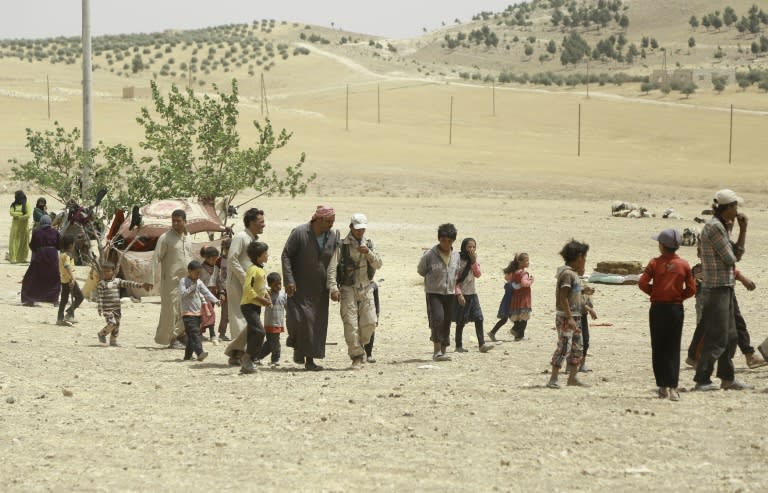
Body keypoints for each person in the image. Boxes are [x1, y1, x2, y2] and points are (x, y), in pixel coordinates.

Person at [693, 189, 751, 391]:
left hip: (725, 286)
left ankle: (727, 378)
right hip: (716, 288)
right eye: (735, 206)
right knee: (717, 335)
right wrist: (738, 234)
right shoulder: (715, 228)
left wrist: (742, 230)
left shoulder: (722, 227)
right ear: (728, 207)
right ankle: (702, 379)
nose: (737, 210)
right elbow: (731, 258)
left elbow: (736, 255)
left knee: (731, 335)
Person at [638, 229, 696, 402]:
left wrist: (655, 293)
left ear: (662, 246)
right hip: (675, 310)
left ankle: (662, 386)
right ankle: (673, 387)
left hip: (657, 308)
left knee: (658, 346)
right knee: (673, 347)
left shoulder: (654, 263)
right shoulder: (684, 265)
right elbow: (692, 289)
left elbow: (642, 283)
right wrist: (678, 297)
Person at [282, 205, 340, 371]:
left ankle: (310, 359)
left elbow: (333, 264)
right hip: (299, 286)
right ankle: (298, 348)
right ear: (319, 219)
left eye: (332, 221)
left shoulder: (332, 236)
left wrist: (334, 287)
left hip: (319, 289)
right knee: (300, 321)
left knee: (316, 324)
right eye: (328, 221)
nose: (331, 224)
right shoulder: (300, 233)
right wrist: (289, 280)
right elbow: (286, 255)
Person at [327, 213, 384, 369]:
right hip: (348, 288)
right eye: (357, 229)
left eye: (362, 229)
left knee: (370, 322)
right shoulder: (342, 245)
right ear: (351, 227)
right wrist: (333, 287)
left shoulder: (369, 244)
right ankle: (356, 356)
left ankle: (361, 345)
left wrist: (368, 253)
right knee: (351, 325)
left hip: (366, 287)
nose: (360, 232)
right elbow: (332, 268)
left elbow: (379, 264)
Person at [547, 239, 590, 389]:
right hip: (566, 318)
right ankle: (553, 378)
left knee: (577, 347)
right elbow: (563, 297)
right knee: (564, 346)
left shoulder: (574, 275)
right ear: (579, 257)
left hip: (576, 316)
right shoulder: (566, 274)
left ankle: (572, 377)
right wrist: (570, 317)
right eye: (584, 257)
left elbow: (574, 295)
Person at [417, 223, 460, 362]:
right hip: (434, 292)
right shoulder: (429, 254)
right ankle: (436, 351)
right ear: (439, 239)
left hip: (450, 293)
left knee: (447, 320)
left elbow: (457, 273)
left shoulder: (456, 256)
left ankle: (443, 350)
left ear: (453, 241)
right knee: (438, 319)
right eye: (443, 240)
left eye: (449, 241)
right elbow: (421, 270)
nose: (446, 244)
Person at [151, 209, 193, 348]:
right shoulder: (165, 238)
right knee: (171, 310)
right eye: (173, 221)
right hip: (170, 281)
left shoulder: (188, 238)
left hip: (187, 281)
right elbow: (155, 258)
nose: (175, 223)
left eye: (178, 221)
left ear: (185, 221)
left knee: (186, 309)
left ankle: (180, 335)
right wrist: (149, 279)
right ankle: (172, 338)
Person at [227, 208, 265, 340]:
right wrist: (245, 279)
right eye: (261, 222)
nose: (264, 225)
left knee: (249, 316)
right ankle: (238, 352)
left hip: (249, 285)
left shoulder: (252, 239)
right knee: (239, 316)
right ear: (251, 222)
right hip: (237, 283)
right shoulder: (241, 237)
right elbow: (232, 259)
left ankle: (245, 352)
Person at [453, 237, 493, 354]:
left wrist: (474, 262)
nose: (471, 249)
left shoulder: (473, 260)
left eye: (473, 247)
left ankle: (482, 344)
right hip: (462, 295)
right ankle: (458, 346)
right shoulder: (458, 260)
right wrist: (459, 294)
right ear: (464, 247)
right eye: (469, 247)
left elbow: (478, 274)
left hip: (472, 294)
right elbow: (454, 280)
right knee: (461, 321)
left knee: (479, 318)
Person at [97, 262, 152, 346]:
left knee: (117, 325)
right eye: (104, 271)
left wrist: (141, 285)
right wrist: (100, 308)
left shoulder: (117, 281)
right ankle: (102, 334)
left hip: (117, 309)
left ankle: (113, 341)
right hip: (107, 309)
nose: (106, 273)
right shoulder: (101, 284)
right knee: (112, 323)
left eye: (108, 271)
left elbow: (129, 283)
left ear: (113, 271)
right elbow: (100, 297)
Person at [239, 241, 272, 374]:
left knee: (253, 333)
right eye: (265, 253)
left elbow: (261, 287)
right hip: (248, 305)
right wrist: (261, 300)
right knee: (260, 332)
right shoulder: (252, 269)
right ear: (259, 256)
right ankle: (247, 358)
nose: (267, 255)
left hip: (256, 306)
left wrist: (267, 296)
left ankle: (248, 363)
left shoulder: (261, 269)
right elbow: (248, 289)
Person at [179, 260, 219, 362]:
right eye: (196, 272)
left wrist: (216, 300)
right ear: (189, 271)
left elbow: (206, 292)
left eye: (199, 273)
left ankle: (187, 356)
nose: (198, 275)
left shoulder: (199, 282)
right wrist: (192, 287)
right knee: (195, 333)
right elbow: (183, 294)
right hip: (187, 313)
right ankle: (200, 353)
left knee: (192, 335)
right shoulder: (183, 281)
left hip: (197, 313)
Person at [20, 215, 61, 306]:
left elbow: (32, 246)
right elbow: (59, 246)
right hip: (52, 256)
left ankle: (29, 299)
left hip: (40, 255)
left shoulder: (37, 232)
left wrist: (39, 251)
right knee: (53, 277)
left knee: (32, 277)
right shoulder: (55, 232)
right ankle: (54, 300)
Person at [257, 272, 288, 366]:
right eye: (275, 285)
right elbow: (261, 287)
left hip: (279, 323)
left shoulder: (283, 294)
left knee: (272, 342)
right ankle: (275, 360)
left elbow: (286, 306)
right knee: (274, 343)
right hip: (269, 323)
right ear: (270, 285)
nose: (278, 286)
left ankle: (257, 357)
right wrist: (267, 289)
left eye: (280, 283)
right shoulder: (267, 294)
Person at [56, 235, 84, 326]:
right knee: (80, 297)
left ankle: (60, 319)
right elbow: (67, 266)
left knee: (64, 300)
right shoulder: (67, 256)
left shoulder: (61, 255)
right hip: (69, 280)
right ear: (71, 245)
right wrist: (72, 279)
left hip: (64, 280)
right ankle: (69, 313)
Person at [487, 262, 517, 342]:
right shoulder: (511, 283)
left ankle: (492, 332)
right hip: (509, 303)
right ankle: (517, 333)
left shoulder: (509, 283)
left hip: (507, 302)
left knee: (505, 319)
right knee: (515, 318)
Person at [508, 252, 534, 342]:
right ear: (520, 262)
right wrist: (530, 281)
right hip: (524, 298)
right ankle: (516, 330)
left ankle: (518, 336)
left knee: (518, 316)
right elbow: (524, 283)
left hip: (516, 297)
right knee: (524, 318)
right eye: (526, 261)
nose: (528, 262)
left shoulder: (514, 272)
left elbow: (508, 279)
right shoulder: (524, 273)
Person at [199, 245, 221, 342]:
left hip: (213, 293)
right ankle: (212, 335)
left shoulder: (216, 268)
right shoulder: (200, 268)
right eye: (211, 258)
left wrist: (221, 292)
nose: (213, 260)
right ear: (206, 257)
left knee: (209, 312)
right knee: (209, 313)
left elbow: (218, 281)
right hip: (203, 294)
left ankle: (200, 334)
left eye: (215, 258)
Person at [578, 282, 598, 372]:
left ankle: (582, 364)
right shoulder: (571, 280)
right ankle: (570, 366)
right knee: (575, 341)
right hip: (574, 316)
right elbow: (575, 300)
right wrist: (590, 309)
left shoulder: (583, 285)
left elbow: (589, 304)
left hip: (583, 316)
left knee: (585, 340)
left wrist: (589, 294)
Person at [9, 190, 31, 263]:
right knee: (14, 242)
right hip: (15, 227)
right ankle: (13, 258)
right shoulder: (13, 204)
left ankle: (23, 258)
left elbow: (28, 214)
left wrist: (18, 217)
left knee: (24, 242)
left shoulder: (26, 204)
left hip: (24, 227)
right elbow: (11, 212)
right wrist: (21, 214)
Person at [216, 237, 232, 341]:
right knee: (225, 313)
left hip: (234, 289)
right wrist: (220, 291)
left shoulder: (236, 259)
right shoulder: (219, 261)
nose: (228, 251)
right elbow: (216, 277)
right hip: (224, 290)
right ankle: (222, 333)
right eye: (226, 248)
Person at [363, 282, 381, 363]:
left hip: (370, 311)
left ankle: (369, 354)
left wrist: (377, 315)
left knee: (370, 331)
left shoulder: (373, 285)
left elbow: (377, 302)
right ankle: (360, 354)